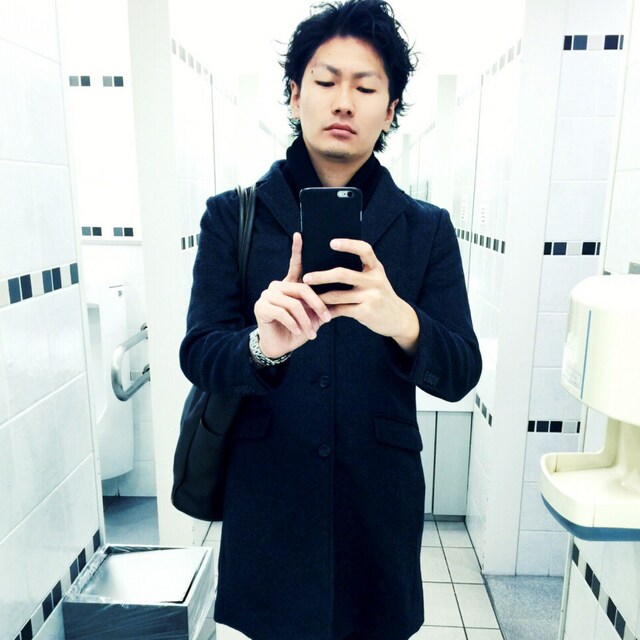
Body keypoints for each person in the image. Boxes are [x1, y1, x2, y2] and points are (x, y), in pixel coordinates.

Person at [179, 0, 482, 638]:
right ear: (295, 95)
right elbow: (199, 352)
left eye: (366, 88)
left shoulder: (425, 229)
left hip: (378, 505)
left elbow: (461, 373)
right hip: (270, 498)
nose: (344, 102)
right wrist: (261, 346)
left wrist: (403, 322)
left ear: (389, 110)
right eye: (325, 81)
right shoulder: (231, 217)